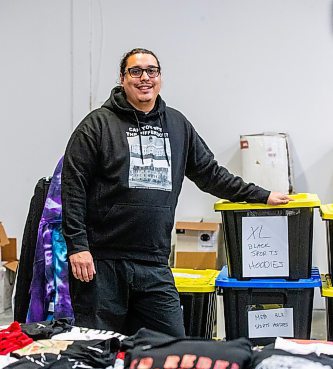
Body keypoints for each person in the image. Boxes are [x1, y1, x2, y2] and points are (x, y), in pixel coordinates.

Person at [61, 47, 291, 337]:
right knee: (99, 350)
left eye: (152, 71)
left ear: (160, 77)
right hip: (103, 264)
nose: (144, 78)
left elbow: (210, 175)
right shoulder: (97, 126)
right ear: (122, 78)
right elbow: (73, 186)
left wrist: (261, 194)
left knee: (171, 347)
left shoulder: (177, 125)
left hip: (154, 262)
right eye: (136, 71)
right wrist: (78, 247)